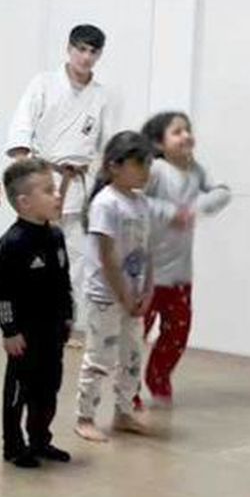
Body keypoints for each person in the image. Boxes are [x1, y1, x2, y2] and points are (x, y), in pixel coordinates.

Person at [6, 24, 113, 347]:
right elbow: (22, 124)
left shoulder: (101, 95)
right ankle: (29, 318)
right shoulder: (44, 83)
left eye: (93, 52)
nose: (86, 57)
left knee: (78, 257)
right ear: (69, 49)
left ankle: (71, 323)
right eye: (81, 49)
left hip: (79, 182)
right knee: (35, 252)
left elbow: (104, 145)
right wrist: (26, 170)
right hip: (45, 178)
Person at [136, 111, 230, 410]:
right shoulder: (155, 170)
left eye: (188, 130)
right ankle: (128, 390)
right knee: (135, 334)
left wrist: (195, 207)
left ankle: (159, 377)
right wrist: (171, 212)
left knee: (177, 331)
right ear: (158, 142)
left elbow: (222, 192)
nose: (186, 136)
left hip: (180, 273)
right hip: (147, 274)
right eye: (177, 131)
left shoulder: (196, 169)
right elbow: (136, 200)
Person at [0, 158, 76, 468]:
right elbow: (3, 292)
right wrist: (9, 330)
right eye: (49, 190)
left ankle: (40, 439)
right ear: (24, 202)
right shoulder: (13, 243)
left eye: (55, 189)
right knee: (20, 391)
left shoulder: (55, 236)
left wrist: (68, 314)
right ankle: (14, 446)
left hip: (52, 330)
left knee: (48, 388)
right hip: (25, 335)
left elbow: (63, 279)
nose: (57, 196)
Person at [74, 132, 154, 443]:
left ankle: (123, 412)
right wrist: (123, 293)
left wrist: (147, 289)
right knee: (100, 358)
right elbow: (107, 256)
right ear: (113, 166)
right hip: (106, 296)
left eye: (148, 165)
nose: (146, 172)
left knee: (132, 356)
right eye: (139, 165)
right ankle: (85, 416)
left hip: (132, 296)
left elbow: (149, 251)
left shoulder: (143, 203)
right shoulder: (106, 203)